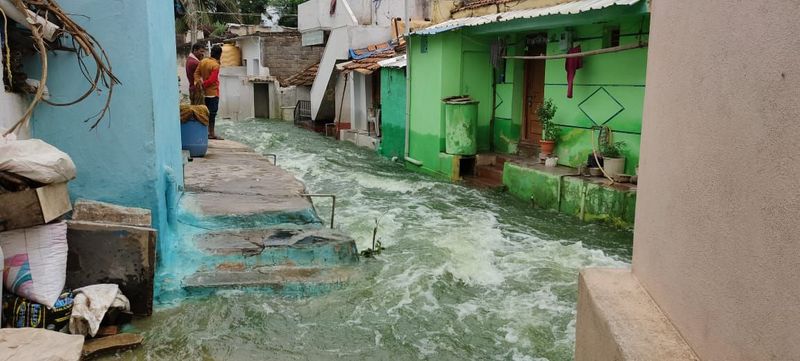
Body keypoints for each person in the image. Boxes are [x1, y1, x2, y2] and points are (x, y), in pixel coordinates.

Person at [195, 45, 223, 139]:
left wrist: (199, 82)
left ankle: (205, 132)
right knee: (212, 114)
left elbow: (196, 73)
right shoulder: (216, 65)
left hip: (203, 94)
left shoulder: (203, 61)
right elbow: (212, 80)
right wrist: (204, 84)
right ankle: (211, 133)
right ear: (219, 55)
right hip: (213, 93)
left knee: (204, 113)